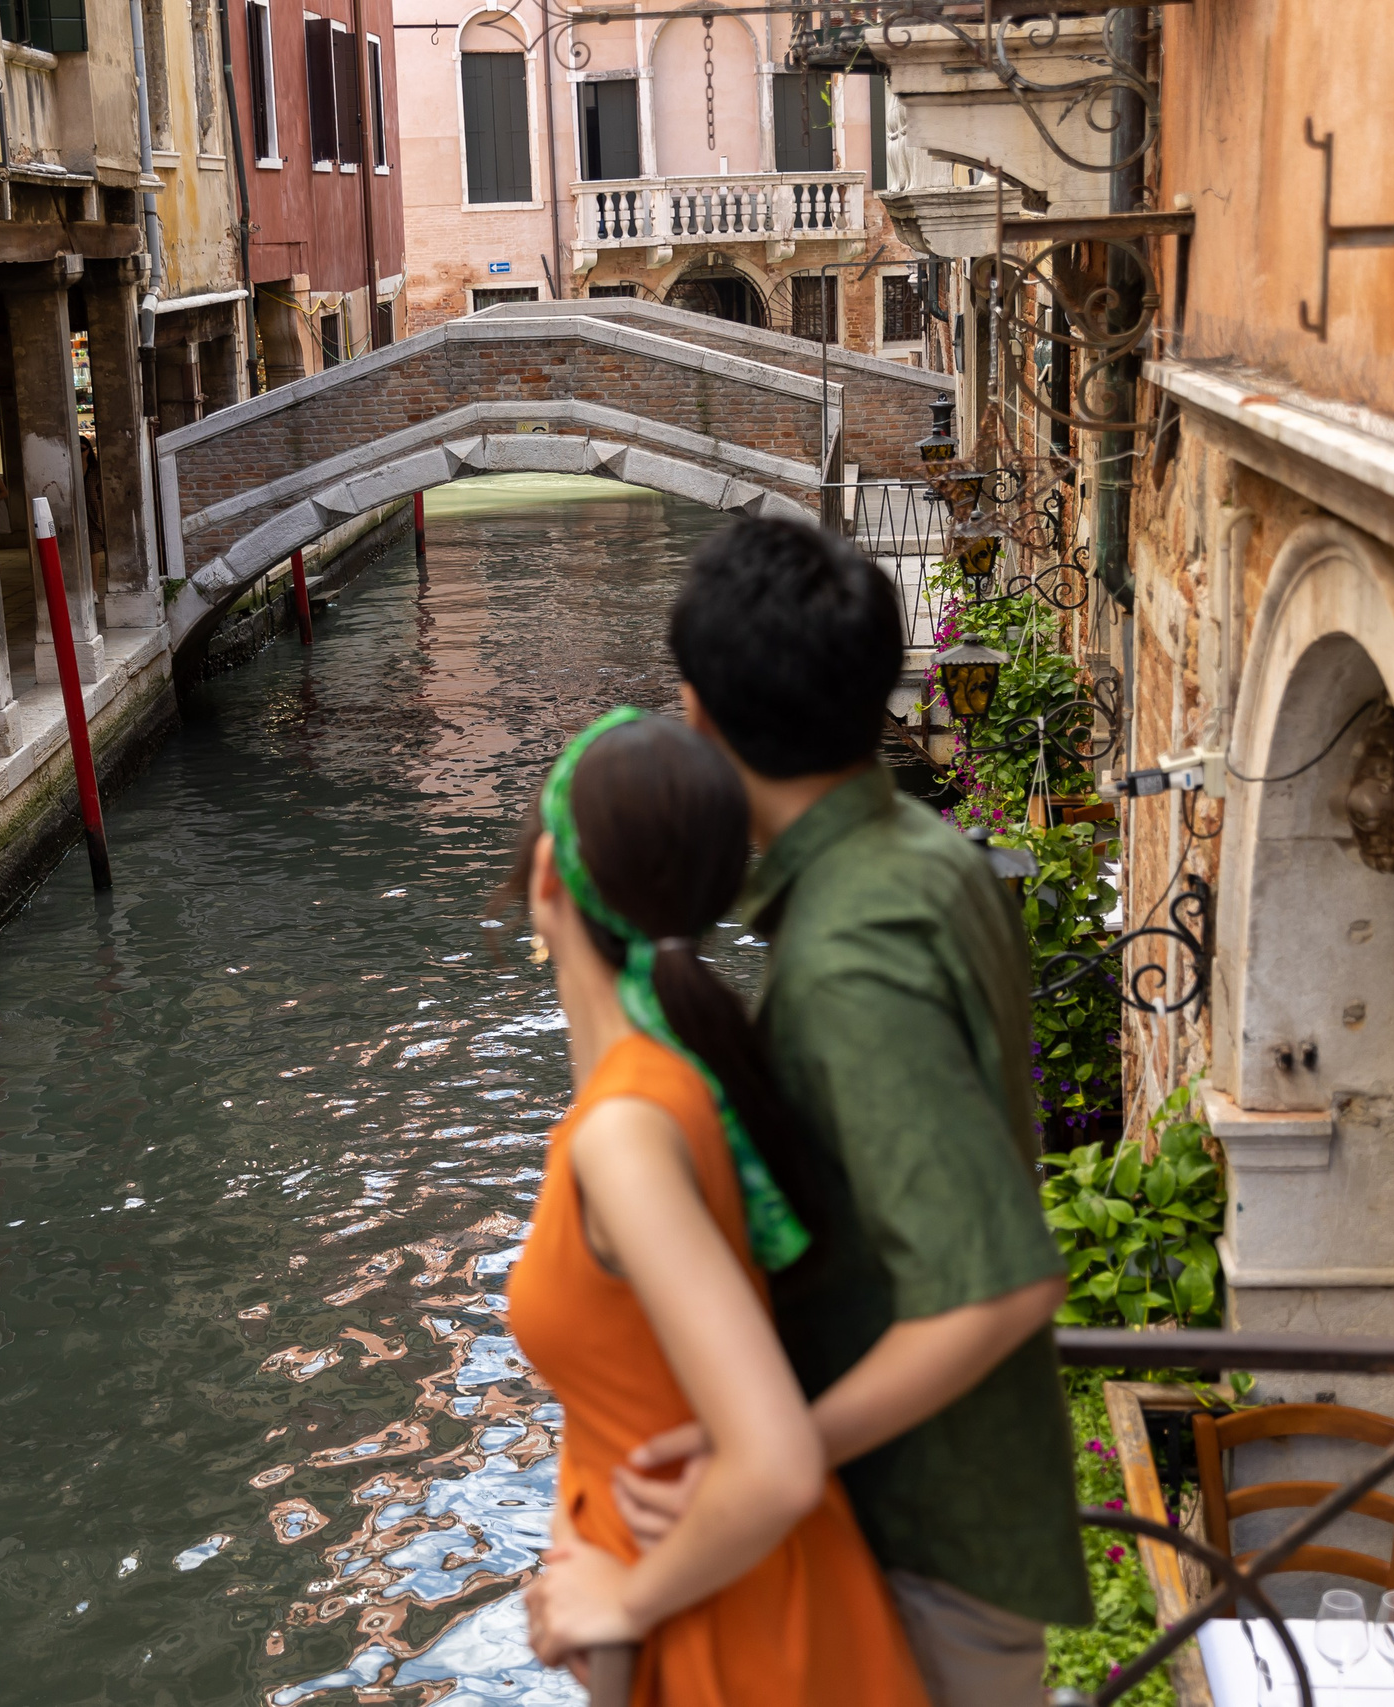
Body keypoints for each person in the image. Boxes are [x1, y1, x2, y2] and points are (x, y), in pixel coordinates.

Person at [614, 518, 1089, 1707]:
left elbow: (995, 1286)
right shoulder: (925, 853)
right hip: (953, 1524)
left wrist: (770, 1455)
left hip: (914, 1547)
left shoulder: (848, 955)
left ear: (700, 717)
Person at [505, 707, 928, 1707]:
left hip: (732, 1642)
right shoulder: (677, 1086)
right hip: (718, 1607)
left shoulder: (625, 1133)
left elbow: (775, 1464)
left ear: (548, 879)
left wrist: (626, 1598)